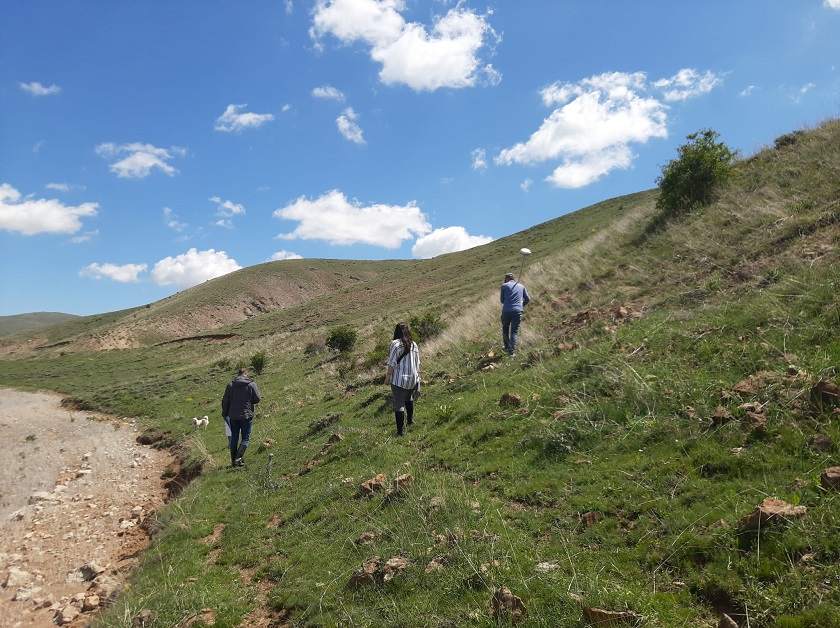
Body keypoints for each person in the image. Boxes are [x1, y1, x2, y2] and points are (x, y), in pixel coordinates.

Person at [384, 322, 420, 436]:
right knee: (408, 398)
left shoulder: (395, 344)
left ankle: (400, 432)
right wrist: (419, 378)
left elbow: (392, 362)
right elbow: (417, 362)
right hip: (413, 378)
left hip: (399, 379)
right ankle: (410, 420)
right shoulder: (414, 344)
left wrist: (388, 376)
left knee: (399, 404)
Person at [221, 367, 261, 467]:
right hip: (247, 415)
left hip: (233, 416)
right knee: (245, 438)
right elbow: (257, 399)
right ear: (247, 374)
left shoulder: (230, 385)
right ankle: (238, 458)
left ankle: (233, 461)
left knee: (234, 437)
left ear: (238, 374)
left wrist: (225, 413)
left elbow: (225, 401)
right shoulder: (251, 384)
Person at [500, 272, 530, 357]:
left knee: (505, 328)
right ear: (514, 278)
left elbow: (502, 301)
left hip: (506, 311)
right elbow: (528, 299)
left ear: (506, 279)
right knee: (514, 332)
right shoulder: (521, 286)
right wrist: (521, 305)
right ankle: (511, 351)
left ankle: (506, 347)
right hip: (517, 311)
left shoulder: (504, 286)